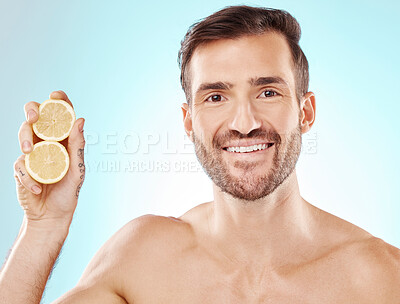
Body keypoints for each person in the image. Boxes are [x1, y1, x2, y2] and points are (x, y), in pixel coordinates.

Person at [1, 5, 399, 303]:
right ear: (189, 121)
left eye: (268, 92)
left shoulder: (379, 279)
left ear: (306, 112)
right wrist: (43, 227)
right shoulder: (143, 259)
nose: (244, 122)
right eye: (215, 96)